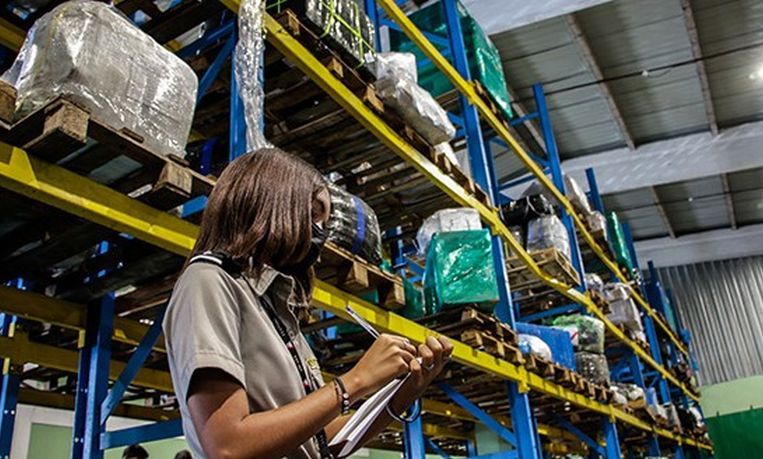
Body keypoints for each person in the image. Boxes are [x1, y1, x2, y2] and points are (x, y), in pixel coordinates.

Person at [163, 148, 453, 459]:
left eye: (325, 223)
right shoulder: (209, 281)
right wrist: (356, 381)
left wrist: (401, 395)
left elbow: (316, 443)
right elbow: (227, 447)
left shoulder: (275, 310)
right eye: (314, 213)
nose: (321, 233)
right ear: (272, 199)